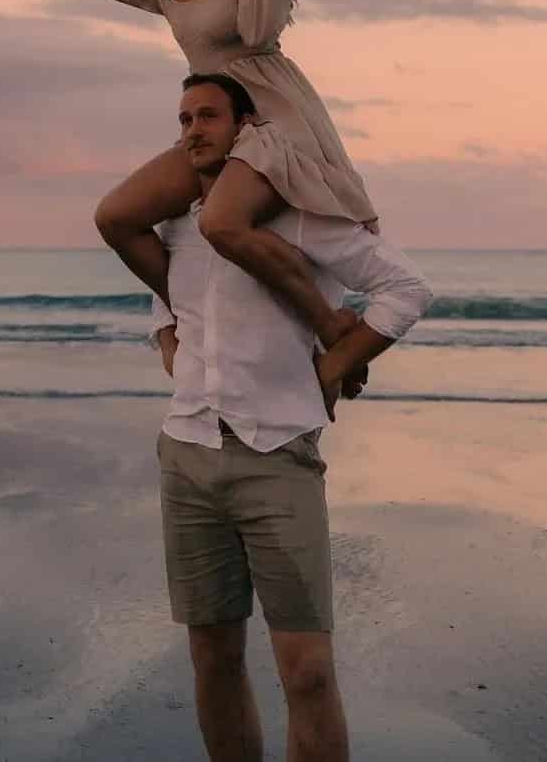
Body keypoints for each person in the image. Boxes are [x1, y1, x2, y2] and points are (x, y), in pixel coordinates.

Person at [145, 72, 433, 762]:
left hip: (277, 460)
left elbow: (406, 290)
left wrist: (333, 367)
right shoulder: (177, 222)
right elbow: (164, 308)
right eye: (184, 118)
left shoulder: (302, 217)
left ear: (249, 130)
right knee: (211, 657)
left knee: (306, 669)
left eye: (208, 115)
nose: (192, 130)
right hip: (185, 457)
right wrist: (174, 353)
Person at [74, 0, 381, 351]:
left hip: (270, 121)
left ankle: (327, 323)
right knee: (116, 217)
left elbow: (258, 30)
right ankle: (190, 312)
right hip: (211, 120)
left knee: (220, 222)